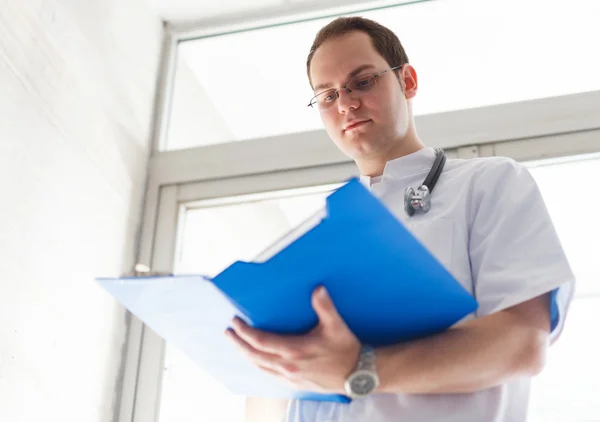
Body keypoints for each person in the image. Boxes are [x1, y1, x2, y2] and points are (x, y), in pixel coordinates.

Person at [227, 16, 575, 422]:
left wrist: (357, 371)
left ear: (407, 81)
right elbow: (273, 389)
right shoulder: (315, 237)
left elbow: (521, 344)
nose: (345, 104)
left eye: (362, 81)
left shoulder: (489, 184)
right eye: (327, 95)